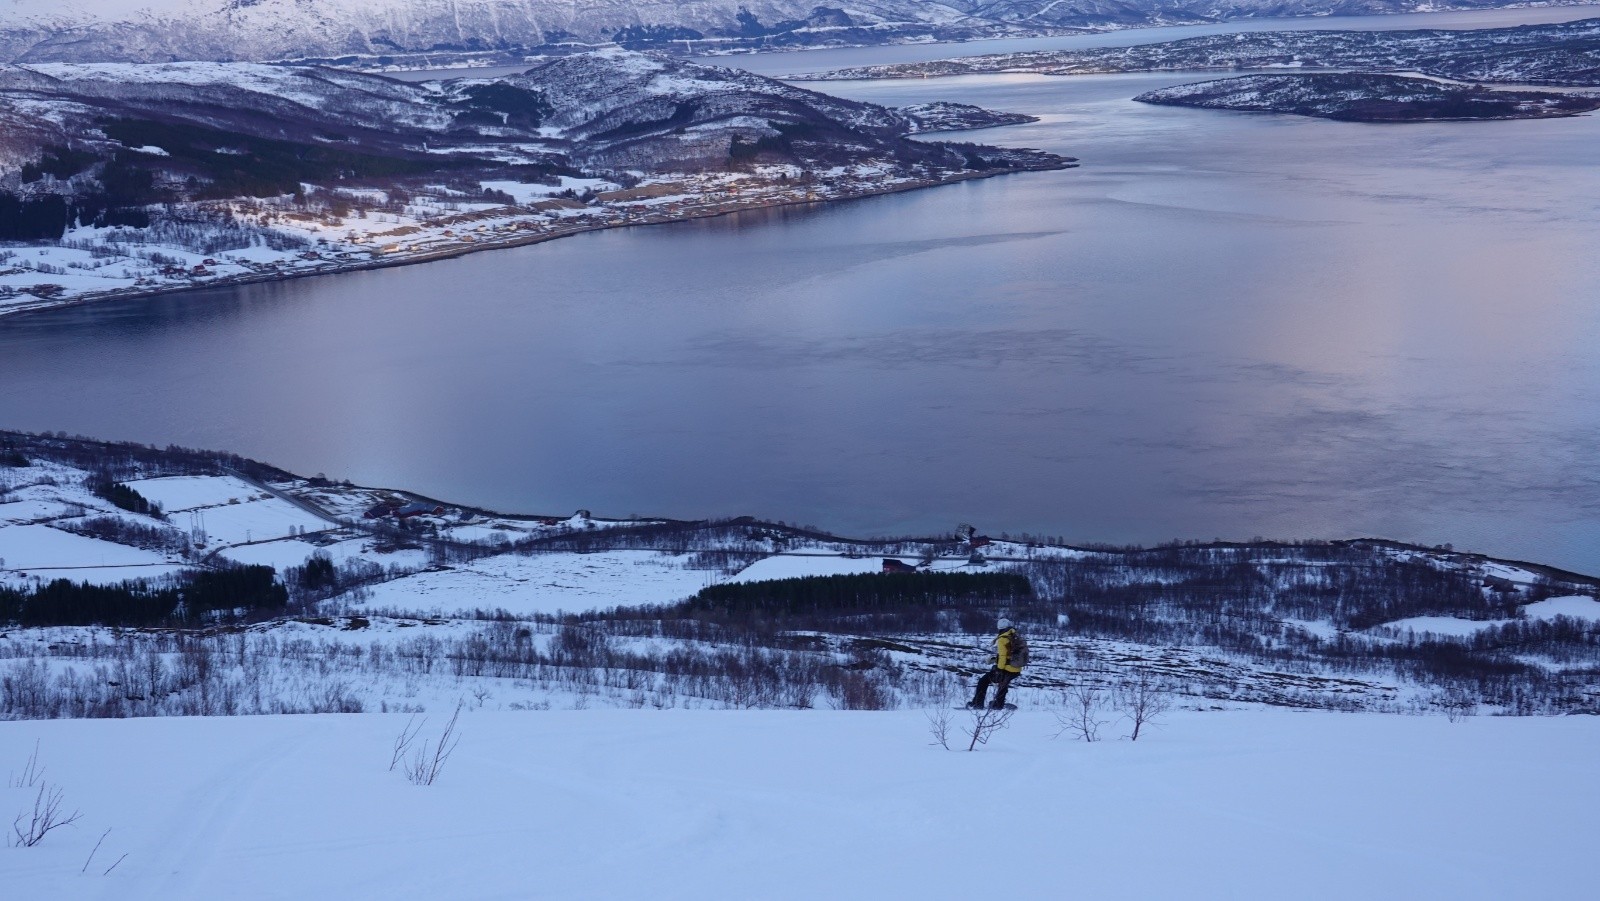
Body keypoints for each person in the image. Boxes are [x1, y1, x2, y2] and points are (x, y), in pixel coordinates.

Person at [969, 618, 1023, 709]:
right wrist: (995, 660)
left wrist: (999, 669)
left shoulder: (1002, 639)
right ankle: (998, 704)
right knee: (1003, 684)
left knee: (983, 681)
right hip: (1016, 668)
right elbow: (1010, 654)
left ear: (999, 628)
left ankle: (977, 704)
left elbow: (1003, 656)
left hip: (1007, 669)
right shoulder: (1015, 636)